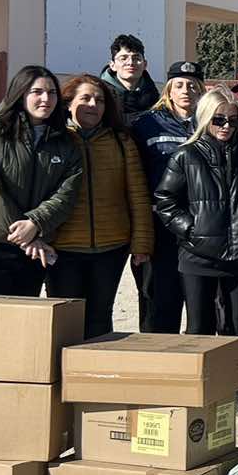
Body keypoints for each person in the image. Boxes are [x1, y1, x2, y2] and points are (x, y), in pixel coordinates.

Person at [154, 88, 238, 414]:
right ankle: (199, 391)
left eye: (233, 119)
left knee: (237, 328)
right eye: (219, 119)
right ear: (205, 119)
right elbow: (164, 201)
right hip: (198, 257)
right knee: (199, 328)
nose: (226, 126)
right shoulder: (185, 156)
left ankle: (236, 390)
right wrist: (191, 230)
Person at [0, 66, 83, 310]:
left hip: (33, 246)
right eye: (37, 92)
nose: (46, 99)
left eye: (52, 92)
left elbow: (66, 194)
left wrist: (34, 224)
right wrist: (24, 237)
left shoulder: (65, 142)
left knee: (21, 327)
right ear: (20, 94)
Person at [46, 74, 154, 339]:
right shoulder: (54, 139)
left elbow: (137, 194)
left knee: (100, 318)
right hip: (63, 248)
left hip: (110, 247)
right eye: (85, 98)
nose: (93, 105)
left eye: (100, 100)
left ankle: (95, 376)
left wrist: (141, 243)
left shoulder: (120, 141)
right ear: (69, 103)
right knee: (65, 320)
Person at [130, 60, 204, 333]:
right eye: (180, 85)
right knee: (158, 301)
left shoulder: (210, 123)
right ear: (169, 90)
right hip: (158, 225)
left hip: (198, 225)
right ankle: (155, 365)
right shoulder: (147, 124)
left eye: (193, 86)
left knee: (199, 302)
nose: (187, 91)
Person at [101, 34, 159, 123]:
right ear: (112, 65)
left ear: (145, 64)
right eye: (123, 58)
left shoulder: (156, 99)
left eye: (136, 58)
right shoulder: (101, 94)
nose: (130, 63)